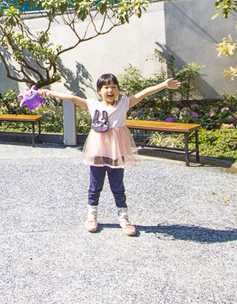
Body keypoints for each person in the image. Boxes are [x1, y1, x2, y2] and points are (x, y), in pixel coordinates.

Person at [39, 74, 180, 236]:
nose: (110, 90)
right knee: (95, 186)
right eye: (106, 87)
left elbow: (144, 93)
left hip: (117, 152)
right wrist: (50, 93)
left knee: (117, 186)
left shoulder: (124, 104)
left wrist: (164, 84)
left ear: (118, 90)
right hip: (98, 152)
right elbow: (71, 98)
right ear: (99, 90)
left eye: (114, 87)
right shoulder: (92, 104)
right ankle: (92, 217)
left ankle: (124, 218)